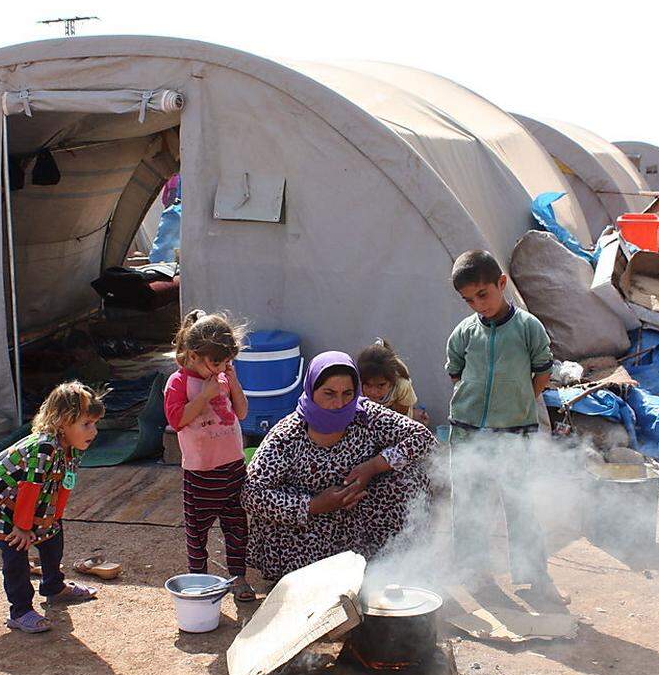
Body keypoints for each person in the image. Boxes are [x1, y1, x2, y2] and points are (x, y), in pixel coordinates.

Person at [243, 352, 437, 581]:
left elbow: (423, 438)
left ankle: (396, 566)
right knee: (317, 587)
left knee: (409, 474)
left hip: (356, 521)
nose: (339, 404)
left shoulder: (365, 417)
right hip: (306, 532)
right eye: (329, 394)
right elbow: (251, 494)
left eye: (347, 394)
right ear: (312, 390)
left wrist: (373, 466)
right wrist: (314, 505)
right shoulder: (288, 435)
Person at [446, 249, 568, 604]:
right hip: (468, 432)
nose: (478, 305)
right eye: (468, 300)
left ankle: (533, 575)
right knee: (468, 503)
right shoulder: (465, 332)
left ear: (501, 284)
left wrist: (521, 400)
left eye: (483, 294)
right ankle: (472, 572)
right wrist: (473, 400)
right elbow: (455, 370)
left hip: (516, 432)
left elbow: (543, 369)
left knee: (521, 504)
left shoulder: (528, 327)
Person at [0, 382, 103, 634]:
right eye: (86, 424)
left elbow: (64, 484)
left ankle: (54, 587)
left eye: (94, 423)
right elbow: (31, 489)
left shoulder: (72, 448)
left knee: (53, 535)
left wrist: (52, 519)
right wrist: (22, 527)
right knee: (15, 549)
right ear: (62, 422)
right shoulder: (45, 447)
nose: (93, 431)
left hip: (20, 501)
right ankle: (20, 611)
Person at [163, 311, 256, 601]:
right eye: (217, 362)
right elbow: (176, 420)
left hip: (233, 468)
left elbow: (241, 413)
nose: (222, 368)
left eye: (228, 362)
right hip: (200, 473)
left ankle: (238, 577)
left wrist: (234, 383)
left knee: (237, 527)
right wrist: (204, 395)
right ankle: (199, 581)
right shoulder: (178, 383)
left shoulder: (222, 378)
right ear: (192, 355)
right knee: (197, 533)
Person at [356, 339, 429, 424]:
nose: (373, 392)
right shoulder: (356, 385)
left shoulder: (402, 386)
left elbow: (399, 420)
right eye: (368, 385)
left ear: (392, 382)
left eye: (381, 385)